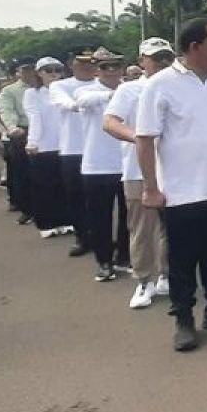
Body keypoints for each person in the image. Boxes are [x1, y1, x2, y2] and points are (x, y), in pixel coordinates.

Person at [136, 19, 207, 352]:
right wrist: (151, 187)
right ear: (195, 47)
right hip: (180, 194)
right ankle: (183, 319)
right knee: (182, 260)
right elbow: (144, 140)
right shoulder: (160, 85)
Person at [104, 38, 173, 309]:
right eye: (154, 58)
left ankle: (168, 274)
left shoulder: (179, 86)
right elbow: (110, 122)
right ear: (142, 60)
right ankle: (144, 280)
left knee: (172, 228)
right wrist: (140, 138)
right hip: (137, 169)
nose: (161, 63)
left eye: (165, 57)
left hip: (174, 169)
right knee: (142, 227)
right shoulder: (130, 90)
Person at [75, 48, 130, 282]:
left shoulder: (129, 89)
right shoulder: (86, 90)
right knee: (100, 217)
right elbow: (83, 101)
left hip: (126, 163)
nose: (111, 71)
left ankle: (124, 257)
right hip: (96, 165)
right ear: (97, 69)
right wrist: (116, 96)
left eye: (115, 66)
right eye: (105, 67)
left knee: (129, 217)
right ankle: (104, 261)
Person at [49, 51, 97, 256]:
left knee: (99, 200)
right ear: (71, 64)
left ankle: (101, 236)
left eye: (91, 63)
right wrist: (84, 102)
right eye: (81, 63)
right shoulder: (60, 86)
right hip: (73, 149)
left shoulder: (106, 84)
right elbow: (66, 104)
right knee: (76, 197)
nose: (86, 67)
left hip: (99, 150)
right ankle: (82, 237)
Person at [24, 58, 73, 238]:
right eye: (48, 70)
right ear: (39, 73)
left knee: (65, 185)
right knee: (45, 186)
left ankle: (67, 220)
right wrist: (32, 142)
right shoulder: (33, 93)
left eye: (57, 70)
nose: (53, 74)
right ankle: (47, 223)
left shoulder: (67, 90)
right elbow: (35, 118)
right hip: (44, 145)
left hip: (66, 144)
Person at [0, 61, 35, 223]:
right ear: (18, 72)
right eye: (25, 70)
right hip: (21, 132)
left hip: (45, 134)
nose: (30, 73)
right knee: (22, 173)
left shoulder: (48, 88)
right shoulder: (9, 91)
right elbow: (5, 110)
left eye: (33, 69)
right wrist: (12, 127)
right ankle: (26, 208)